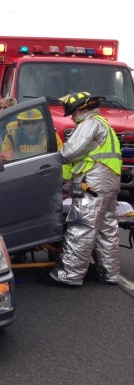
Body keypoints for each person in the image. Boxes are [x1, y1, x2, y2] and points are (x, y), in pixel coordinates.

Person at [40, 92, 122, 288]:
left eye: (73, 113)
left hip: (93, 183)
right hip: (108, 182)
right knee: (106, 229)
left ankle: (68, 275)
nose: (71, 117)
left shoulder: (89, 124)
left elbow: (70, 153)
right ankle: (108, 273)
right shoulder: (103, 124)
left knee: (81, 227)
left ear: (82, 109)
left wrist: (56, 156)